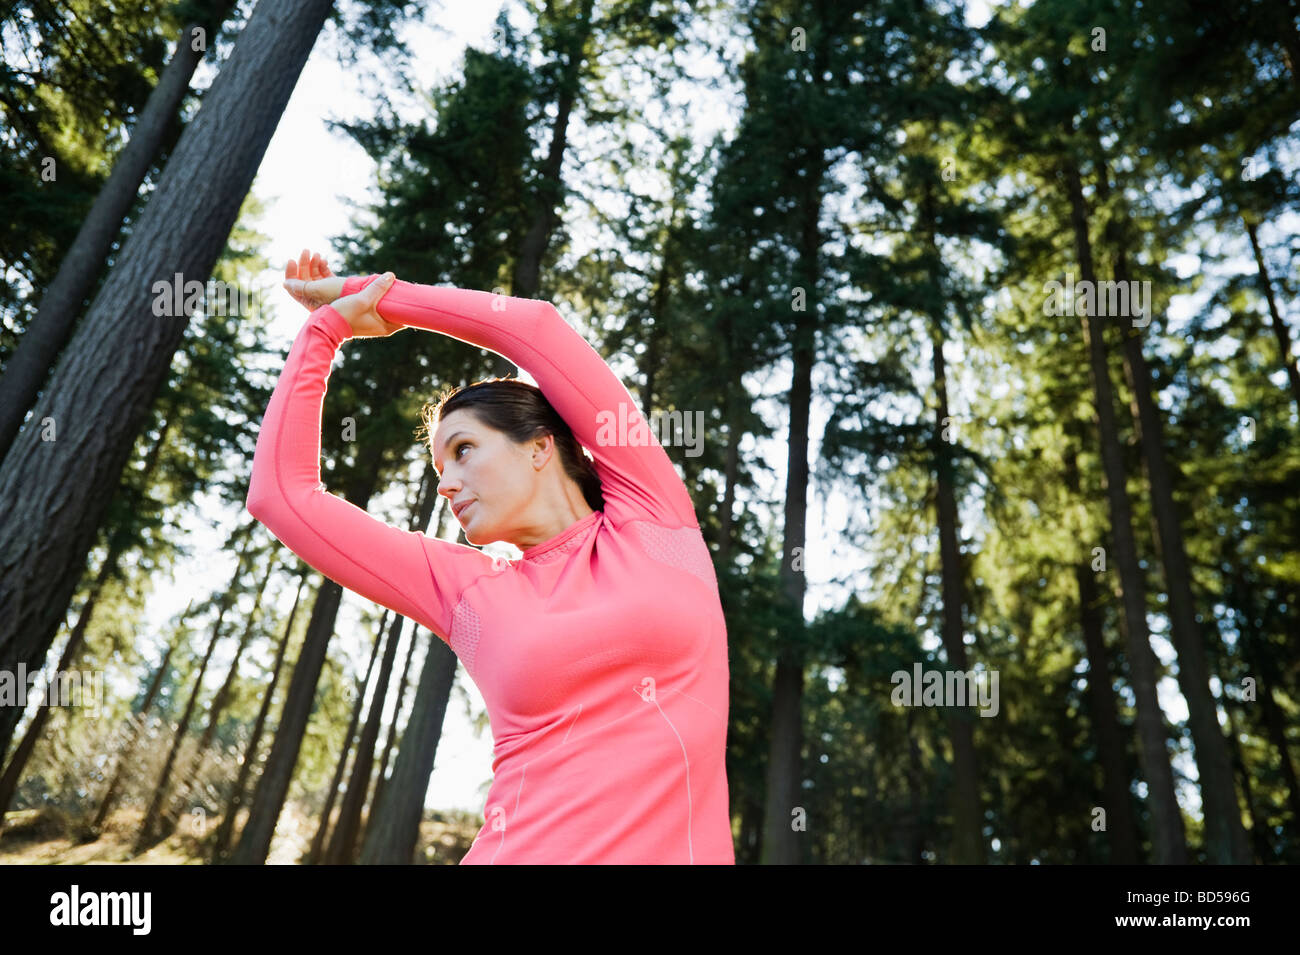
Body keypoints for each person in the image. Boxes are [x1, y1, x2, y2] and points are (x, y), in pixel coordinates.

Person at [246, 249, 735, 864]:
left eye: (464, 449)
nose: (445, 482)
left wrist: (368, 296)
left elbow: (535, 330)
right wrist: (324, 330)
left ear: (538, 446)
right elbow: (282, 496)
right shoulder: (468, 591)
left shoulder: (653, 518)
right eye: (438, 467)